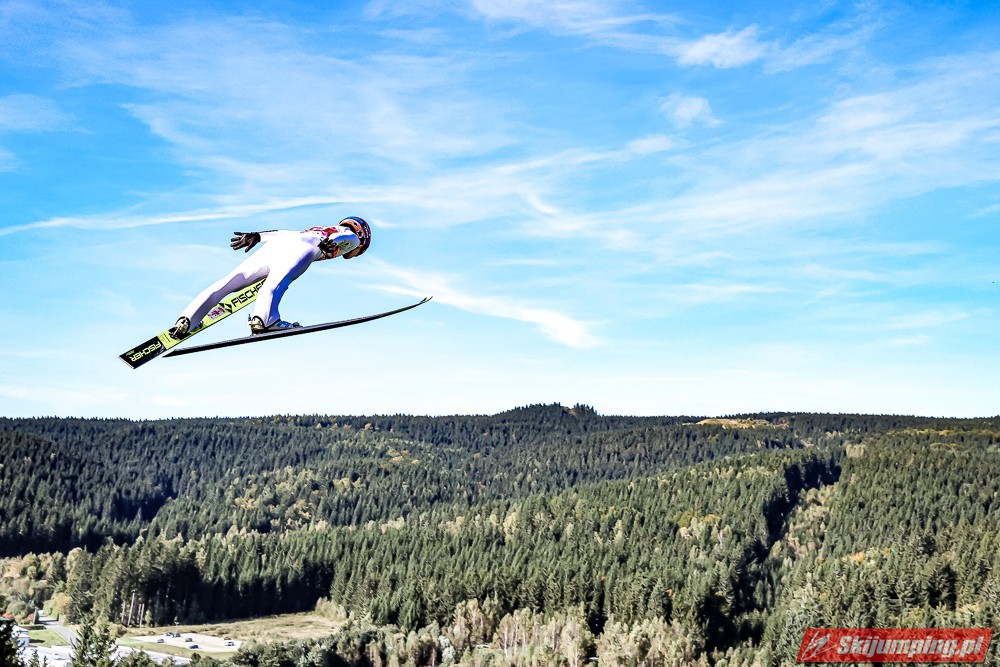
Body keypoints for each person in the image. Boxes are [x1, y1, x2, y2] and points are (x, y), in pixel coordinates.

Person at [168, 216, 371, 338]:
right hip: (304, 248)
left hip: (277, 244)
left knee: (229, 282)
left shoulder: (316, 229)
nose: (354, 254)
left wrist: (258, 236)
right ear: (362, 237)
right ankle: (265, 320)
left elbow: (285, 233)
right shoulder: (352, 237)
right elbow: (347, 238)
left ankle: (187, 320)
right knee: (277, 282)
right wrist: (332, 241)